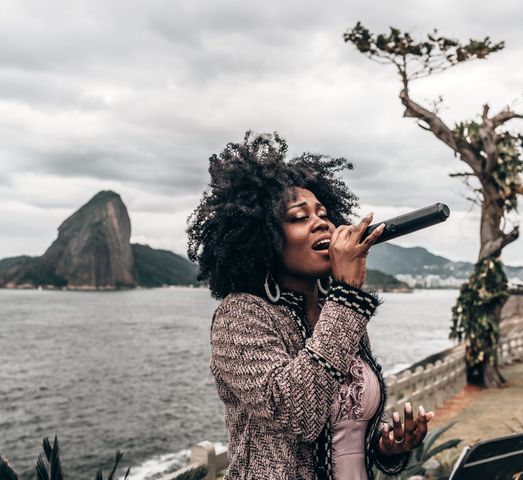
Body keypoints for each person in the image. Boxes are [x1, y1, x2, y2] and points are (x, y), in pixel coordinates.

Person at [186, 132, 434, 480]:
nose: (321, 222)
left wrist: (385, 448)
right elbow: (296, 415)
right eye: (299, 217)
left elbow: (344, 433)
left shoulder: (337, 310)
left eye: (323, 213)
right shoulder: (240, 316)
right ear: (264, 238)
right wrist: (347, 295)